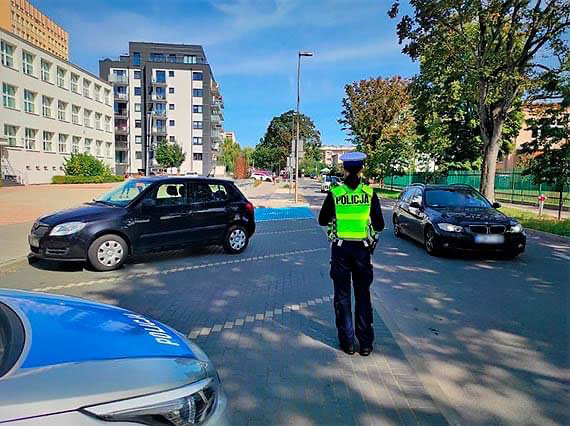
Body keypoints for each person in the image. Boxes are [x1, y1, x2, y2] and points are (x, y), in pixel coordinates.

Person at [318, 152, 384, 356]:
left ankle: (347, 343)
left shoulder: (336, 193)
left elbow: (322, 220)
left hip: (341, 250)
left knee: (343, 296)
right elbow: (380, 224)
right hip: (363, 252)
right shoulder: (369, 193)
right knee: (363, 296)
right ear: (362, 169)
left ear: (344, 170)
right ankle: (365, 344)